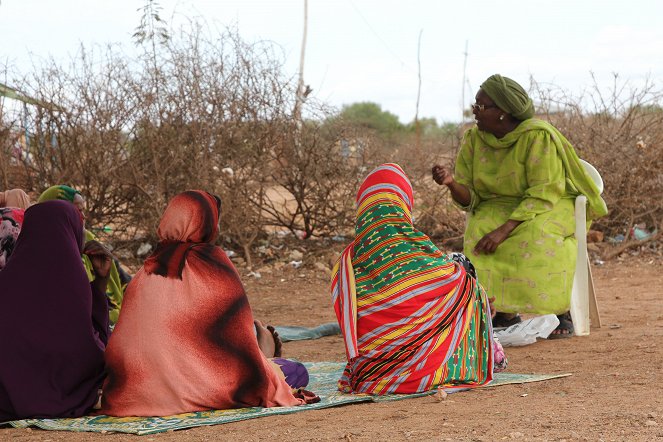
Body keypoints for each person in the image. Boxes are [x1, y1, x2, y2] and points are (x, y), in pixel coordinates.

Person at [101, 190, 315, 417]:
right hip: (198, 386)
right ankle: (265, 353)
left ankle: (263, 351)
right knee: (296, 371)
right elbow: (233, 342)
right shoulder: (213, 265)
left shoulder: (144, 272)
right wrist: (262, 363)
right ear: (205, 224)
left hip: (132, 392)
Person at [432, 74, 607, 338]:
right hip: (497, 205)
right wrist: (451, 183)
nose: (474, 112)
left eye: (480, 107)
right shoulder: (474, 140)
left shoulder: (538, 137)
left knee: (535, 234)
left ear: (503, 112)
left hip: (549, 202)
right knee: (480, 232)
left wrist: (504, 230)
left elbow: (544, 190)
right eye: (474, 106)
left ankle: (561, 313)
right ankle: (503, 312)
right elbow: (472, 199)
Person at [331, 163, 498, 395]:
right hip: (428, 376)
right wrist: (473, 290)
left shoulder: (346, 263)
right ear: (403, 202)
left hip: (371, 378)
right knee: (467, 284)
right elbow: (455, 283)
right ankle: (474, 356)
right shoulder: (416, 247)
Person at [0, 200, 112, 420]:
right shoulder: (73, 279)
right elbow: (91, 349)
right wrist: (101, 282)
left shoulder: (6, 282)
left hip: (7, 398)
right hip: (63, 394)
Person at [38, 185, 129, 324]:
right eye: (77, 211)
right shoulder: (43, 256)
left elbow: (126, 283)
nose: (84, 217)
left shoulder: (91, 244)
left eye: (83, 211)